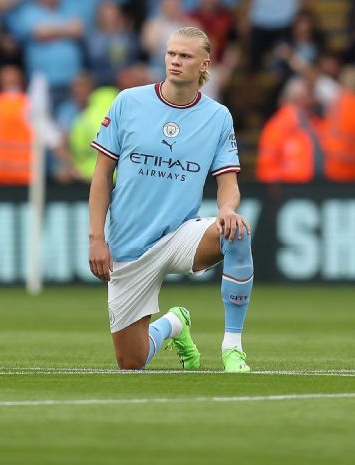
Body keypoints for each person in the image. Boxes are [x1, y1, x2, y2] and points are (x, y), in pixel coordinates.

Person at [88, 27, 251, 373]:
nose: (175, 61)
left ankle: (232, 348)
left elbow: (228, 183)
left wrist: (226, 210)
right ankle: (175, 323)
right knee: (131, 362)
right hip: (128, 248)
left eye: (185, 56)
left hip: (179, 236)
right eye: (172, 54)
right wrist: (96, 238)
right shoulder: (128, 102)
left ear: (204, 64)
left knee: (236, 232)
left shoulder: (218, 117)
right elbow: (102, 175)